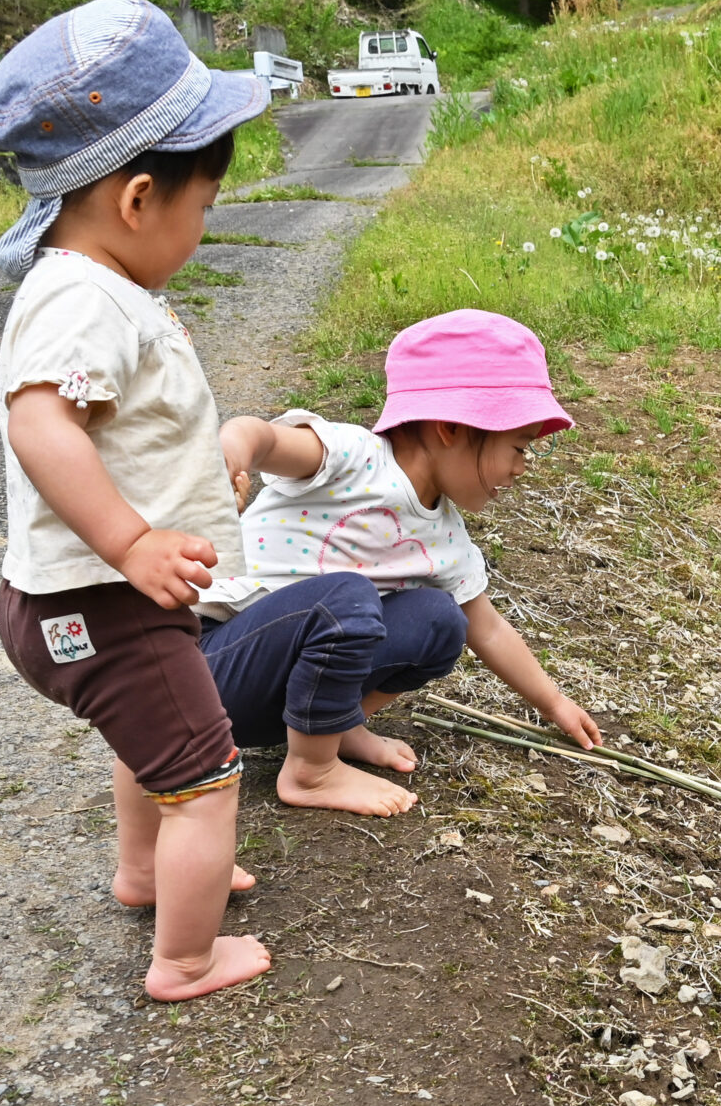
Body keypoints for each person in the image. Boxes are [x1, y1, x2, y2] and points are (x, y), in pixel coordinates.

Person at [0, 0, 274, 1002]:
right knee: (209, 776)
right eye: (206, 205)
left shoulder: (101, 285)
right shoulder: (80, 295)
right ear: (140, 199)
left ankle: (147, 872)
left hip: (94, 600)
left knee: (157, 745)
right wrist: (133, 540)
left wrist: (192, 480)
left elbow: (126, 424)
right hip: (100, 603)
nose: (205, 225)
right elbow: (41, 426)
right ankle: (187, 956)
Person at [200, 308, 601, 815]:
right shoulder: (353, 457)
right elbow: (263, 437)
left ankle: (332, 729)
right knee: (347, 597)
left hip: (279, 704)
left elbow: (490, 630)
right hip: (211, 670)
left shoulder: (447, 538)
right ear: (452, 427)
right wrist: (232, 452)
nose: (522, 467)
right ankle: (310, 773)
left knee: (441, 619)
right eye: (519, 447)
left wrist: (555, 704)